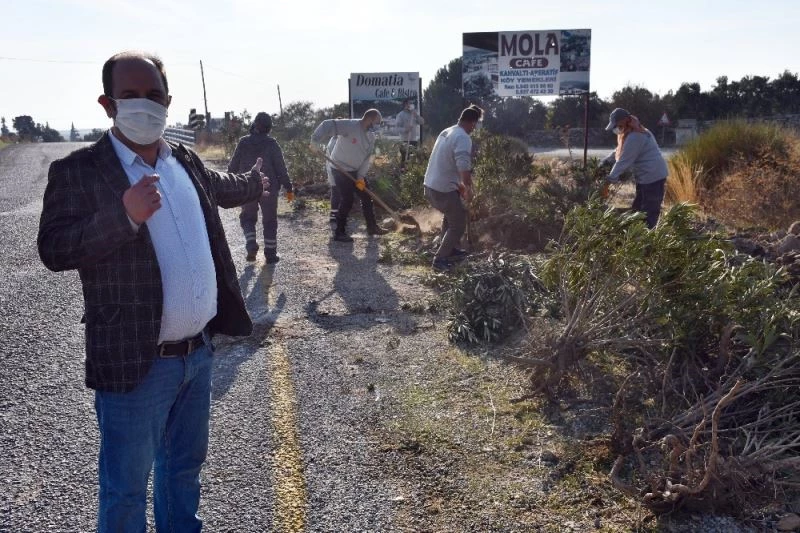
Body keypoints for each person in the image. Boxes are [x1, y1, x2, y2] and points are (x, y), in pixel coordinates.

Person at [37, 51, 270, 533]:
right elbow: (54, 249)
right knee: (124, 489)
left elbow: (219, 186)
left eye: (154, 95)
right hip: (133, 363)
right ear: (108, 104)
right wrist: (123, 217)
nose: (144, 104)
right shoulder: (79, 171)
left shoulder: (182, 159)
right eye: (130, 95)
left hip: (198, 357)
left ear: (168, 102)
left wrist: (254, 183)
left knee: (182, 475)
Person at [310, 109, 389, 242]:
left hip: (356, 171)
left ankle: (372, 227)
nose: (377, 126)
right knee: (347, 199)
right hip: (339, 168)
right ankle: (339, 232)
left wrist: (360, 176)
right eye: (377, 122)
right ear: (369, 118)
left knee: (366, 196)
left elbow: (367, 158)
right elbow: (326, 125)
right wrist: (314, 141)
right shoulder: (349, 125)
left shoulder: (371, 136)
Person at [423, 104, 483, 271]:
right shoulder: (463, 137)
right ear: (472, 123)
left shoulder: (447, 131)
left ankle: (451, 249)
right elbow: (463, 166)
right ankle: (440, 260)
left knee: (453, 214)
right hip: (442, 189)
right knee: (458, 224)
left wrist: (460, 187)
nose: (475, 129)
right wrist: (469, 189)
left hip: (430, 186)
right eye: (475, 125)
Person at [228, 111, 294, 263]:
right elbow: (281, 169)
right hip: (269, 188)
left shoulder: (243, 142)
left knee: (247, 217)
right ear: (269, 128)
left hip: (247, 187)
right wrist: (288, 187)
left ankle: (251, 244)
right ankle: (270, 255)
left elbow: (232, 166)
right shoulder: (272, 144)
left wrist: (230, 183)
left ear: (255, 125)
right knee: (270, 221)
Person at [601, 107, 669, 228]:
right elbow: (619, 151)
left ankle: (648, 241)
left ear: (626, 120)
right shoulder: (631, 132)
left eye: (617, 125)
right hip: (645, 177)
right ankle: (638, 237)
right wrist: (605, 162)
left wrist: (610, 179)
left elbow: (624, 160)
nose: (616, 128)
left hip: (653, 176)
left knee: (649, 212)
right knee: (638, 210)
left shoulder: (636, 136)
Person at [395, 98, 425, 168]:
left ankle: (411, 176)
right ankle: (403, 175)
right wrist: (406, 129)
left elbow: (422, 122)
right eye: (409, 103)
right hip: (404, 141)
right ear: (405, 105)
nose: (411, 105)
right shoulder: (400, 115)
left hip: (413, 141)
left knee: (413, 161)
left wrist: (416, 115)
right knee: (405, 159)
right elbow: (397, 129)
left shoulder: (414, 114)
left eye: (411, 103)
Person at [325, 134, 339, 224]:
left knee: (335, 192)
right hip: (336, 170)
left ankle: (334, 214)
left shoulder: (332, 139)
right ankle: (334, 215)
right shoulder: (336, 141)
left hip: (332, 169)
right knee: (337, 192)